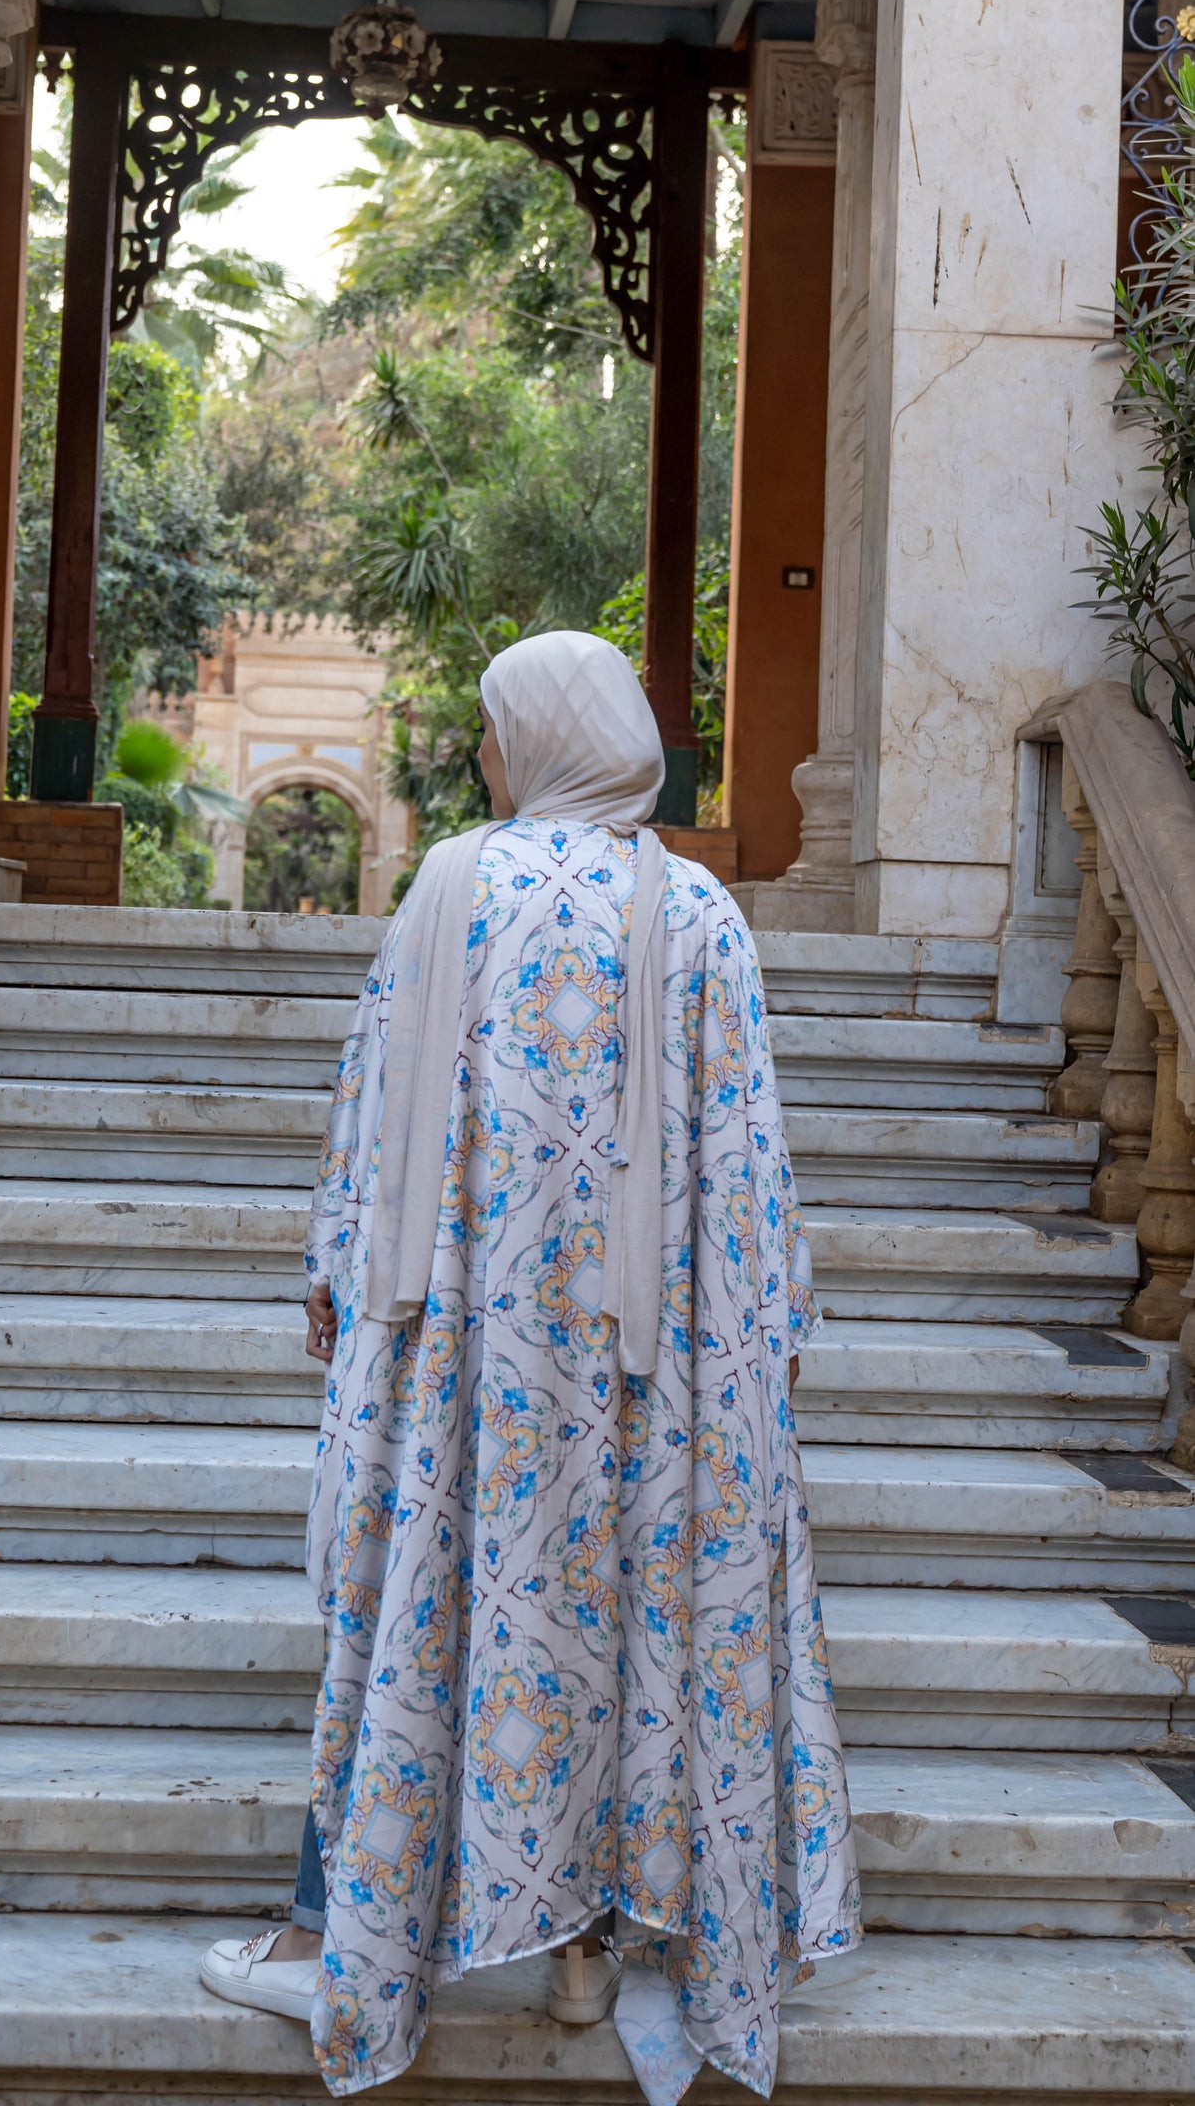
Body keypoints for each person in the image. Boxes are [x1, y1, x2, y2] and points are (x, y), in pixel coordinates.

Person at [201, 630, 860, 2105]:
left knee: (425, 1605)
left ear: (538, 741)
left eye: (496, 729)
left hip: (469, 1354)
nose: (486, 757)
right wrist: (765, 1334)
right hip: (653, 1365)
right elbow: (750, 1156)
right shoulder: (695, 909)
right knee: (632, 1623)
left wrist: (336, 1271)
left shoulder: (454, 884)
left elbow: (377, 1098)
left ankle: (342, 1936)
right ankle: (590, 1949)